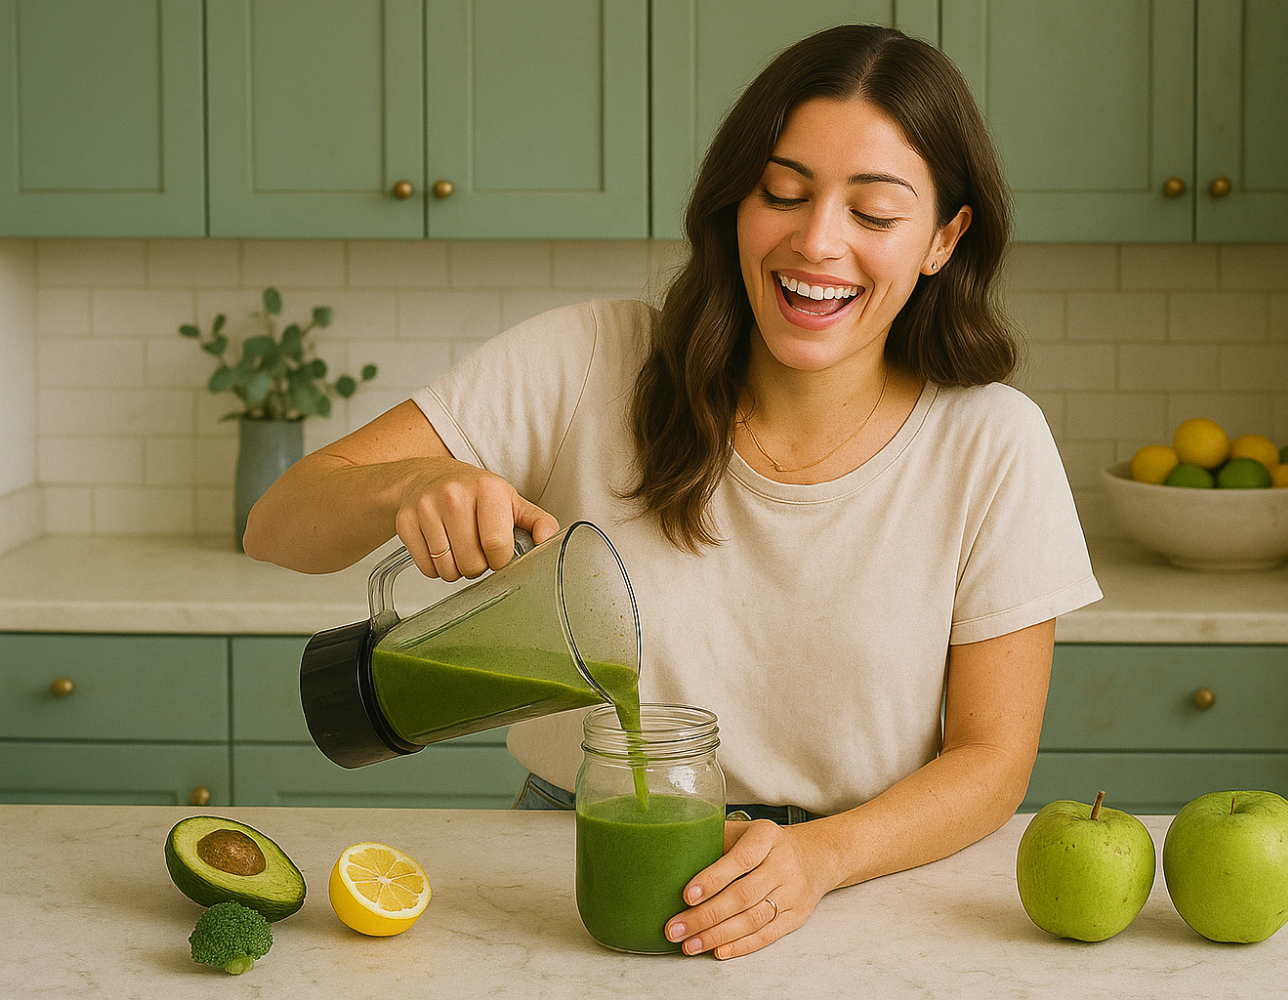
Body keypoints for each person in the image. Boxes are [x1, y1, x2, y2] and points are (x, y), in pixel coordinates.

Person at [244, 24, 1101, 959]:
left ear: (944, 237)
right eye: (783, 193)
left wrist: (820, 859)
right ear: (735, 202)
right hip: (565, 864)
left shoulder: (992, 442)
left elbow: (991, 760)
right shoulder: (590, 363)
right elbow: (278, 523)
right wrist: (412, 482)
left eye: (874, 214)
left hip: (851, 882)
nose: (817, 243)